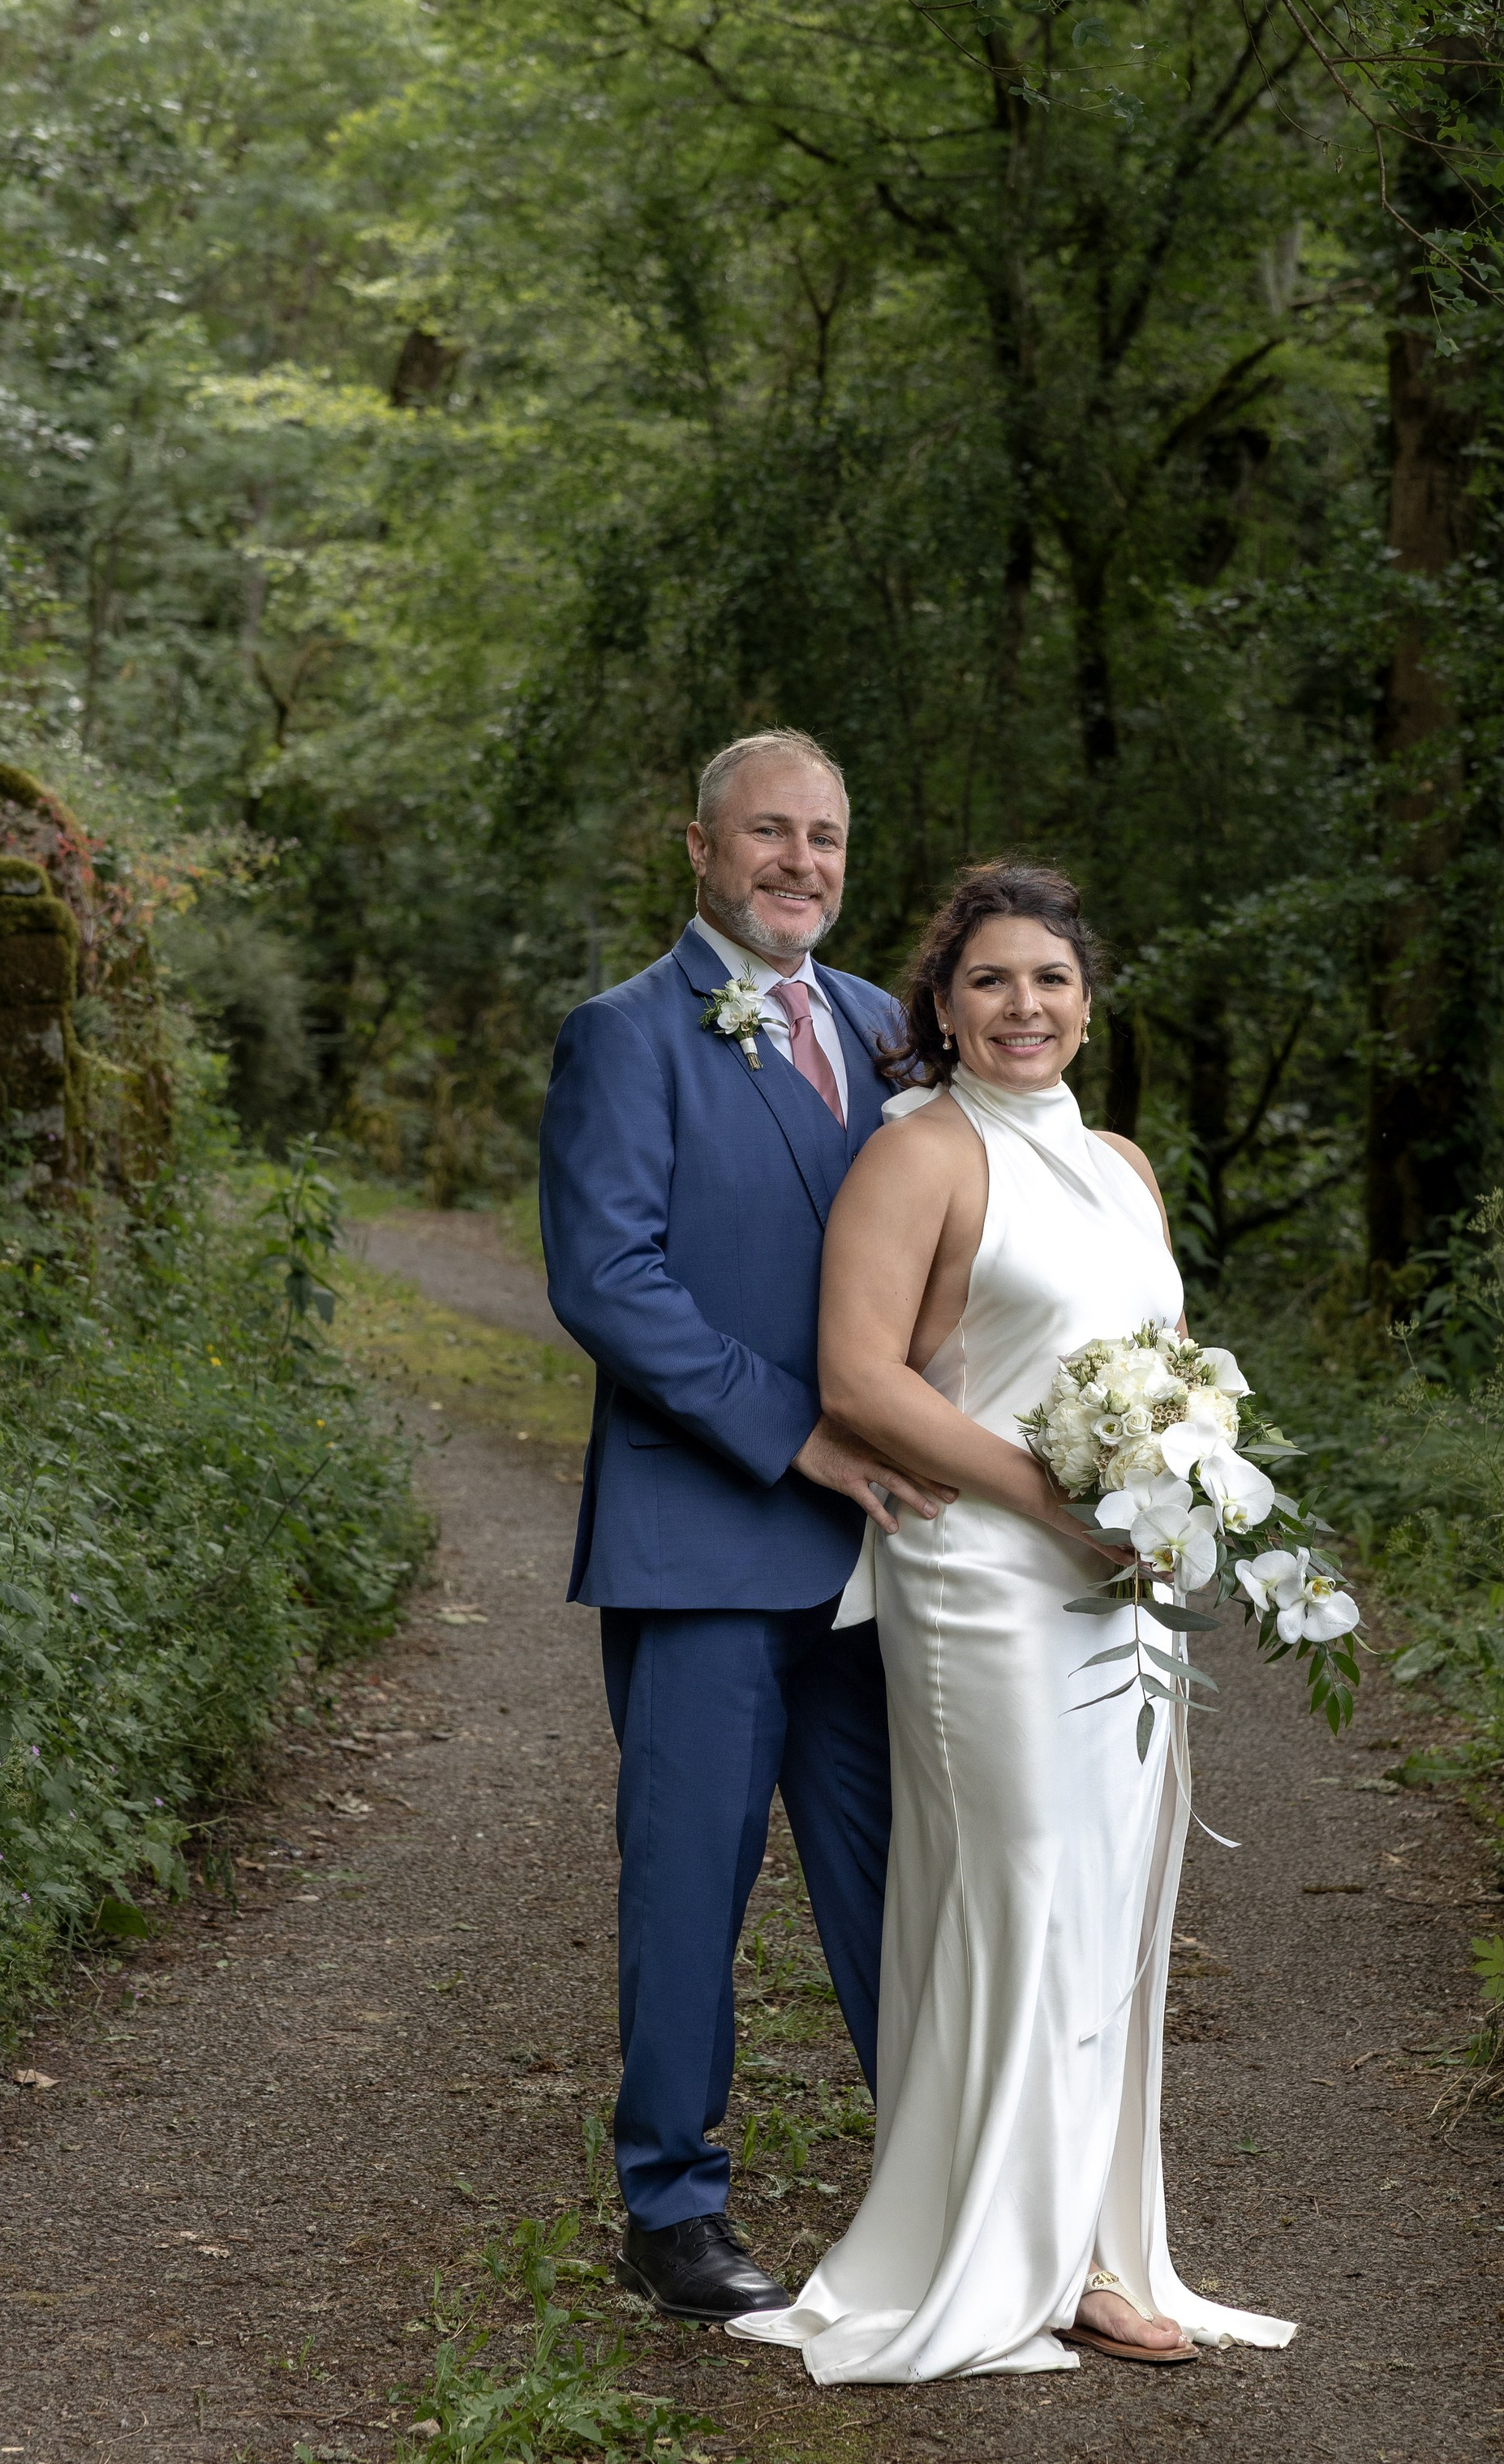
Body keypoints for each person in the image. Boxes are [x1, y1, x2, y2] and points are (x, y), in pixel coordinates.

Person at [729, 863, 1295, 2379]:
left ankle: (1101, 2246)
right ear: (942, 1004)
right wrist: (1057, 1497)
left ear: (1088, 1002)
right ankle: (1013, 2252)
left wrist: (1185, 1490)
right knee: (1023, 1883)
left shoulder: (1122, 1165)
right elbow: (862, 1382)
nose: (1022, 1006)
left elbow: (1167, 1364)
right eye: (989, 981)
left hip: (1124, 1586)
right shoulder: (920, 1155)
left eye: (1049, 978)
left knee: (1114, 1899)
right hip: (980, 1576)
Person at [538, 729, 948, 2324]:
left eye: (827, 837)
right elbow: (609, 1284)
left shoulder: (882, 1032)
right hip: (706, 1536)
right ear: (697, 849)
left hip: (881, 1553)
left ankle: (943, 2181)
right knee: (688, 1881)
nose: (801, 862)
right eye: (768, 833)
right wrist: (803, 1438)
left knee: (899, 1876)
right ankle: (673, 2209)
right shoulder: (624, 1035)